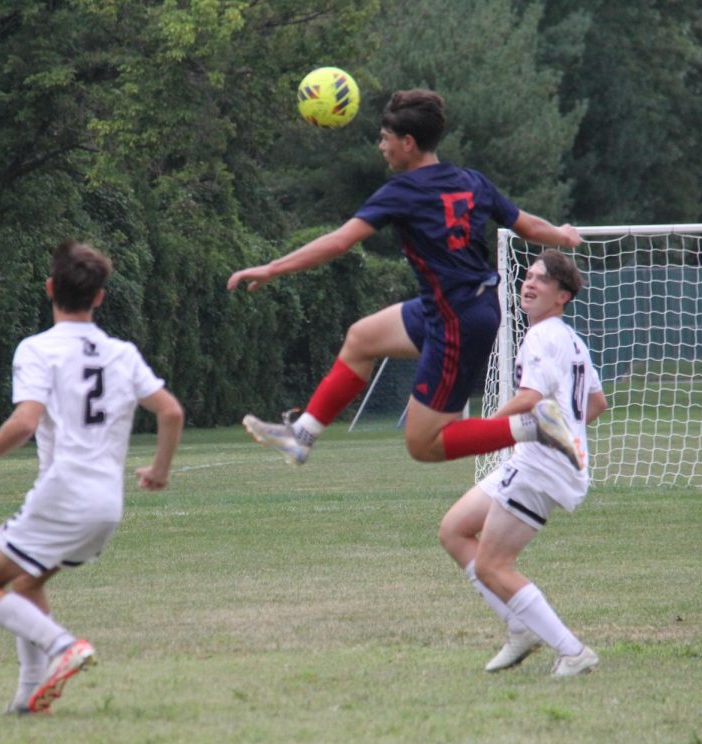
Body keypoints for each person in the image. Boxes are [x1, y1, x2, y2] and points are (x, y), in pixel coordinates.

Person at [227, 89, 582, 469]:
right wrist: (560, 234)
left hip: (456, 320)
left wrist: (272, 268)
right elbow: (526, 225)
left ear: (408, 143)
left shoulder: (403, 192)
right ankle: (301, 436)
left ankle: (534, 427)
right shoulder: (471, 181)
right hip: (454, 306)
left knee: (423, 444)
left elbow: (340, 241)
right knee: (362, 338)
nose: (381, 146)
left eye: (385, 138)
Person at [0, 239, 184, 715]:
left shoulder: (38, 349)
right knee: (26, 584)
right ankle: (28, 698)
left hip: (63, 496)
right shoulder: (121, 352)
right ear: (100, 296)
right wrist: (159, 471)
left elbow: (23, 422)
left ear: (50, 288)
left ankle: (63, 648)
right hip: (106, 505)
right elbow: (171, 411)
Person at [438, 250, 607, 677]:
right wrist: (567, 430)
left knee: (495, 565)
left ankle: (572, 650)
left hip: (540, 465)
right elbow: (597, 403)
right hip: (537, 458)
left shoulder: (542, 336)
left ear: (562, 296)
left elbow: (530, 400)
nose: (528, 285)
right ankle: (519, 627)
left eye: (541, 281)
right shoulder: (569, 339)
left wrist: (484, 429)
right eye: (527, 277)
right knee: (454, 530)